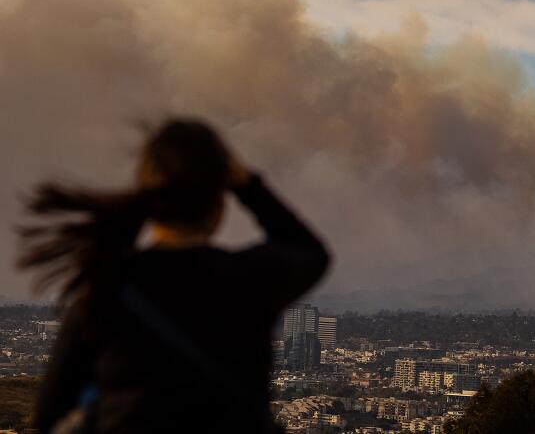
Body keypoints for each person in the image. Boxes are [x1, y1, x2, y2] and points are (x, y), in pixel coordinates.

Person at [17, 118, 330, 433]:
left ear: (151, 201)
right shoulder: (250, 280)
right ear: (218, 206)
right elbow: (310, 251)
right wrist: (247, 183)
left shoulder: (107, 288)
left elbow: (49, 415)